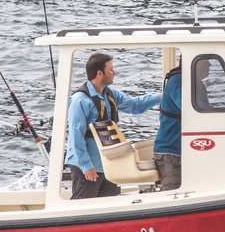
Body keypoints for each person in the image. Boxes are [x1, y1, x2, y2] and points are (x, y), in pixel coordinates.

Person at [65, 52, 159, 199]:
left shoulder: (111, 95)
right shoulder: (80, 100)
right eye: (111, 70)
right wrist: (86, 166)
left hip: (108, 164)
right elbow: (76, 135)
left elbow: (135, 105)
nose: (114, 72)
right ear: (100, 73)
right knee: (84, 206)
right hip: (87, 165)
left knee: (110, 204)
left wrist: (162, 96)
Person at [153, 64, 182, 190]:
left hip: (181, 150)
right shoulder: (177, 81)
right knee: (173, 193)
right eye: (207, 62)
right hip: (170, 152)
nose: (209, 66)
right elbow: (192, 110)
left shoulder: (195, 83)